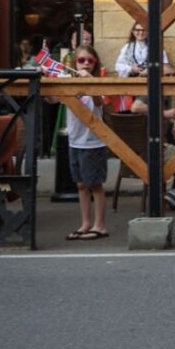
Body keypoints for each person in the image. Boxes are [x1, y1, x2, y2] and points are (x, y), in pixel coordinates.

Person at [62, 45, 110, 241]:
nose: (86, 64)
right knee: (81, 184)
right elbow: (50, 99)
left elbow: (100, 103)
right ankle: (85, 223)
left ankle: (100, 225)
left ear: (95, 62)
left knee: (95, 184)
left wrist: (91, 83)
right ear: (75, 63)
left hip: (93, 141)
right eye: (82, 60)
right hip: (75, 139)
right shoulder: (67, 82)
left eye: (90, 60)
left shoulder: (98, 80)